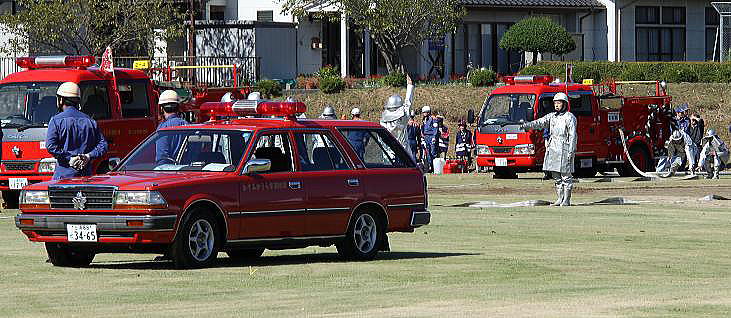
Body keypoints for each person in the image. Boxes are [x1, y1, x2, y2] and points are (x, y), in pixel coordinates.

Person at [520, 92, 577, 206]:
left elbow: (573, 135)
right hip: (553, 147)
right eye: (555, 103)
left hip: (565, 148)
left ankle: (566, 199)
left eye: (559, 103)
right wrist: (527, 125)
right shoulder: (551, 116)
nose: (556, 105)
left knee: (566, 175)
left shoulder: (570, 117)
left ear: (564, 104)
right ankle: (560, 198)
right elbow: (540, 123)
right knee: (555, 175)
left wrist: (571, 150)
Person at [45, 82, 108, 180]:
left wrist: (69, 158)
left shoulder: (56, 121)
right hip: (86, 176)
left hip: (63, 177)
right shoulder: (90, 121)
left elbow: (51, 146)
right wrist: (88, 156)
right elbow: (103, 145)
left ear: (61, 100)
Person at [380, 74, 414, 157]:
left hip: (388, 154)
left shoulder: (382, 121)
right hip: (403, 154)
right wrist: (410, 86)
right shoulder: (402, 118)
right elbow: (408, 103)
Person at [155, 90, 190, 165]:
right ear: (178, 107)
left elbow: (162, 157)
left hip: (169, 171)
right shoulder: (187, 125)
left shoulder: (163, 128)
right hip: (186, 170)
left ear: (161, 108)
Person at [421, 106, 438, 172]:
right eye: (423, 112)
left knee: (433, 152)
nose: (424, 114)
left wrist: (434, 137)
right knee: (427, 152)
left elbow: (435, 128)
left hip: (431, 136)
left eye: (425, 112)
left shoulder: (433, 119)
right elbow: (423, 128)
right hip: (426, 137)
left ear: (428, 112)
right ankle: (430, 166)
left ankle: (435, 167)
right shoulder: (424, 120)